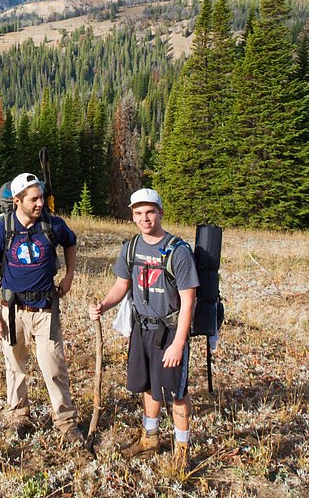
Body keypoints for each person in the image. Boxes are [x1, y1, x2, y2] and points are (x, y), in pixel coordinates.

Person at [88, 187, 198, 468]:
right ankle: (150, 437)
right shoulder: (131, 248)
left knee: (176, 392)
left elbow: (188, 302)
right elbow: (121, 285)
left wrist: (178, 344)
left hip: (170, 331)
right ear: (132, 216)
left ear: (160, 213)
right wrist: (103, 305)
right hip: (141, 328)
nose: (145, 219)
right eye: (139, 213)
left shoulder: (178, 252)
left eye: (150, 212)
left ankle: (182, 450)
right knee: (148, 385)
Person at [0, 172, 82, 443]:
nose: (40, 203)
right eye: (34, 199)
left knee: (54, 367)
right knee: (15, 367)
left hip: (46, 310)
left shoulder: (53, 225)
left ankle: (66, 422)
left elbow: (71, 243)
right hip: (11, 311)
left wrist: (69, 275)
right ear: (17, 201)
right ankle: (18, 416)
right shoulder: (0, 231)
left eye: (41, 198)